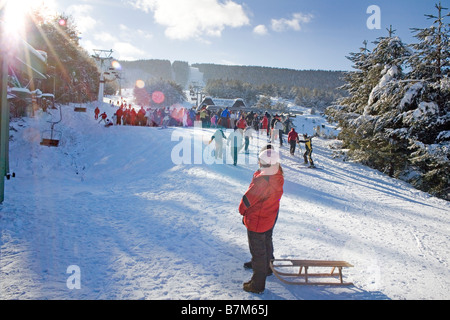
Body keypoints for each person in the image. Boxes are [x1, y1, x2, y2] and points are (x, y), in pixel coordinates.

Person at [239, 148, 284, 294]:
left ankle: (257, 285)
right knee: (266, 241)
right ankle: (267, 268)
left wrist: (242, 211)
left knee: (258, 250)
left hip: (258, 220)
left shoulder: (263, 179)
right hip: (269, 216)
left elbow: (248, 199)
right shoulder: (277, 174)